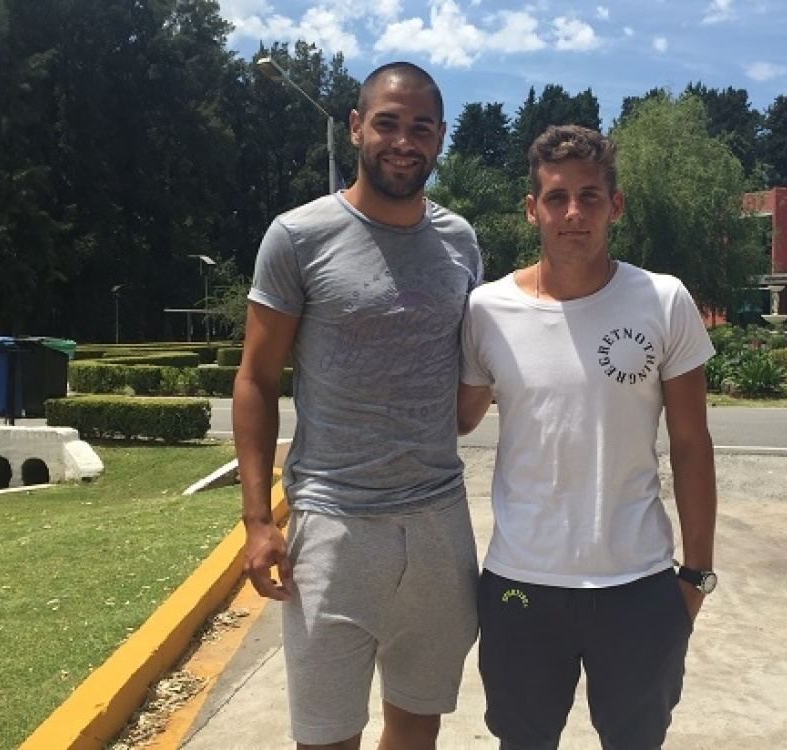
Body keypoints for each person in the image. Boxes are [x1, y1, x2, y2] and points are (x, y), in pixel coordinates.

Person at [233, 62, 482, 750]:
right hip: (333, 525)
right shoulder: (298, 236)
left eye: (421, 128)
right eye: (387, 124)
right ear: (355, 127)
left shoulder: (460, 241)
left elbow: (468, 390)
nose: (404, 142)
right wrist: (257, 521)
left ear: (440, 138)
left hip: (438, 523)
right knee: (325, 738)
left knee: (417, 727)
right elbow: (255, 379)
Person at [457, 124, 718, 750]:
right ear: (532, 209)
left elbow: (691, 445)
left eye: (590, 195)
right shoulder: (487, 310)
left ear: (614, 205)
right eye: (556, 197)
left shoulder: (662, 300)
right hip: (521, 581)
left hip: (638, 584)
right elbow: (458, 418)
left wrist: (695, 576)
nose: (573, 212)